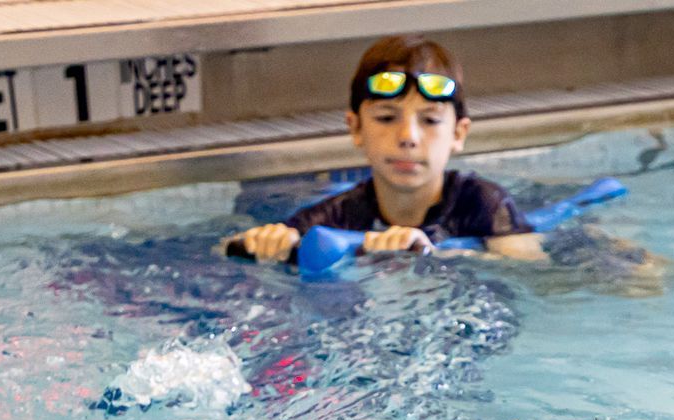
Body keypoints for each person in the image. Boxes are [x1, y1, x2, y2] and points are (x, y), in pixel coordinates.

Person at [223, 35, 545, 265]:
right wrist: (266, 244)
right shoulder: (339, 215)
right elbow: (223, 250)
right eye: (387, 118)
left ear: (458, 134)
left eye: (430, 121)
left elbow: (529, 269)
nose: (408, 137)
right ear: (356, 128)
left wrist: (433, 256)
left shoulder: (482, 202)